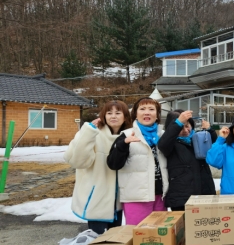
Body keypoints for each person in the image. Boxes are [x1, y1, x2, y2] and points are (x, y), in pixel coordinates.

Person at [64, 100, 132, 234]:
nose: (113, 116)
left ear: (125, 117)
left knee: (115, 239)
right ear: (103, 116)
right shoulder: (93, 133)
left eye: (118, 113)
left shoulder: (129, 135)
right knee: (97, 239)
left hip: (118, 200)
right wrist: (88, 133)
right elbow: (77, 161)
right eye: (109, 113)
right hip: (97, 198)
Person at [107, 97, 168, 225]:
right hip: (136, 197)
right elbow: (113, 164)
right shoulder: (126, 135)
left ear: (157, 114)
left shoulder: (163, 135)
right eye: (142, 109)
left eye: (151, 109)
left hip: (160, 196)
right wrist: (123, 144)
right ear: (135, 113)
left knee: (161, 234)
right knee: (139, 234)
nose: (147, 112)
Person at [158, 110, 217, 211]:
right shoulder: (170, 143)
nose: (185, 130)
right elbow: (163, 145)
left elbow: (213, 143)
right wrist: (178, 123)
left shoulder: (197, 139)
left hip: (204, 192)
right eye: (181, 127)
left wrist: (209, 130)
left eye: (187, 126)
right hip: (182, 197)